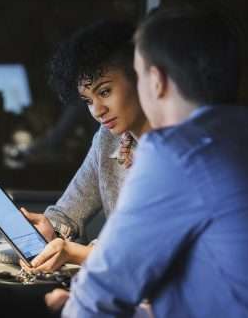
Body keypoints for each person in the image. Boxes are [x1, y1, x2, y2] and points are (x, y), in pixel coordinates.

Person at [47, 4, 248, 317]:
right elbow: (212, 288)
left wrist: (76, 304)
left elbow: (100, 296)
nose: (98, 109)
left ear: (155, 80)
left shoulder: (177, 152)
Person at [20, 19, 151, 271]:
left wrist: (74, 252)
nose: (98, 111)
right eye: (87, 100)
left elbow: (143, 253)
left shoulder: (175, 151)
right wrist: (51, 230)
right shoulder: (109, 138)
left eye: (104, 92)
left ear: (140, 77)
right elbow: (68, 211)